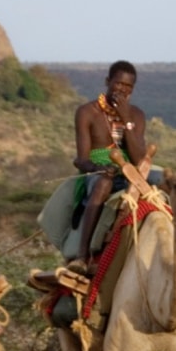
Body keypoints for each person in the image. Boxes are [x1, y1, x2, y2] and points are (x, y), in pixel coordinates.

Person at [68, 61, 148, 264]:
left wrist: (125, 118)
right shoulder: (87, 112)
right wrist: (99, 169)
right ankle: (82, 255)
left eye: (128, 87)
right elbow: (82, 160)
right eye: (119, 84)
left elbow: (139, 158)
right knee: (103, 184)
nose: (123, 90)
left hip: (131, 170)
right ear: (107, 81)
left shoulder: (136, 115)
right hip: (98, 171)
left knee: (166, 181)